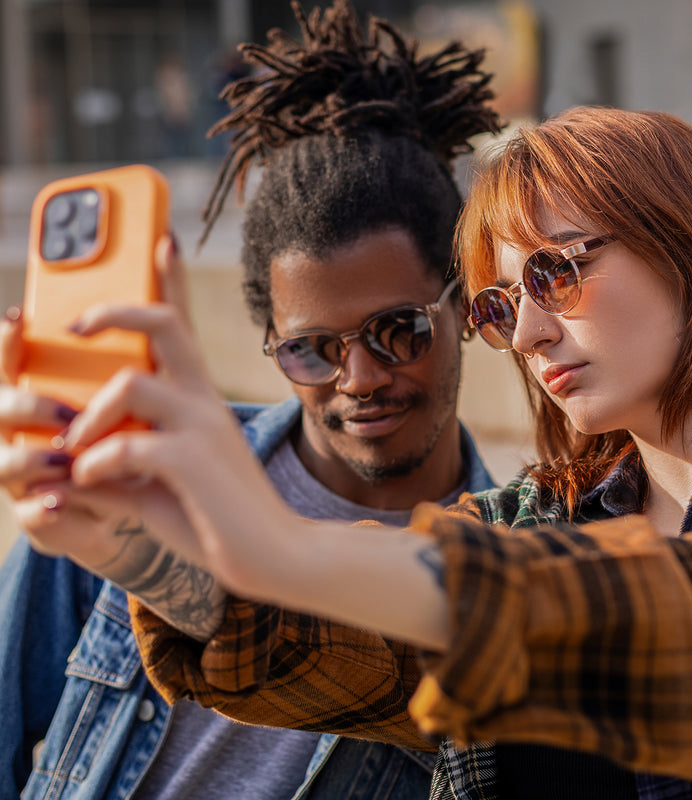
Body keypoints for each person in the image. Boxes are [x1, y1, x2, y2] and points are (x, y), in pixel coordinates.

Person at [24, 104, 692, 800]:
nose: (526, 336)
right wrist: (142, 547)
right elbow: (307, 646)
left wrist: (281, 544)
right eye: (501, 303)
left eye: (555, 271)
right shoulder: (522, 524)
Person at [0, 2, 501, 798]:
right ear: (271, 340)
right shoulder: (135, 481)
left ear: (466, 301)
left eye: (399, 331)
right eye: (312, 349)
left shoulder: (508, 568)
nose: (360, 378)